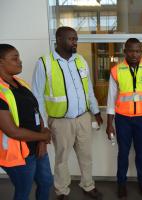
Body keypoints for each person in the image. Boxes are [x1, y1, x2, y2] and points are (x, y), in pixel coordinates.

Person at [32, 26, 103, 200]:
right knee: (61, 159)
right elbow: (37, 97)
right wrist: (42, 125)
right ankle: (62, 190)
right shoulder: (44, 63)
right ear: (59, 39)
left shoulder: (80, 60)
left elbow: (89, 90)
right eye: (71, 39)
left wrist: (95, 111)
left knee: (86, 155)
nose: (75, 42)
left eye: (76, 39)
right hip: (60, 121)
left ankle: (88, 185)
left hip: (83, 118)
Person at [106, 38, 142, 199]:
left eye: (137, 51)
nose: (134, 54)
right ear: (125, 51)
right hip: (122, 120)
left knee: (141, 152)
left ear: (141, 52)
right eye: (131, 50)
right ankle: (121, 184)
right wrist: (109, 124)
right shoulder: (116, 70)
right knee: (123, 152)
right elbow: (111, 98)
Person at [0, 44, 53, 200]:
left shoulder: (21, 83)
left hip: (36, 146)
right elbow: (12, 131)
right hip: (18, 154)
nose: (20, 61)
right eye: (14, 58)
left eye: (19, 57)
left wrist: (42, 141)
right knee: (24, 191)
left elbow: (36, 112)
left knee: (46, 182)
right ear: (1, 62)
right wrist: (43, 137)